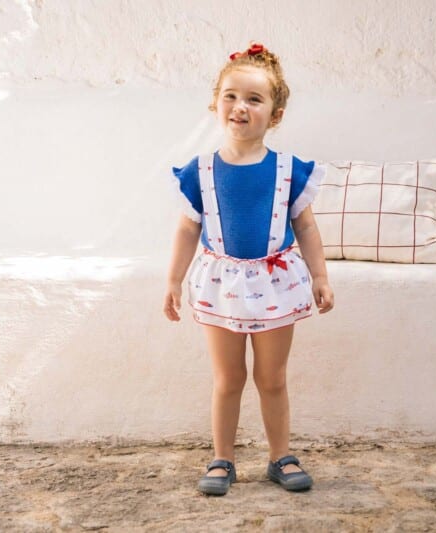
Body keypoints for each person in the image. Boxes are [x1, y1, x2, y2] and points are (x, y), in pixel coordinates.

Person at [163, 42, 334, 496]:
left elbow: (306, 227)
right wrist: (173, 280)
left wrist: (320, 276)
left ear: (274, 115)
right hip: (221, 285)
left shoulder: (288, 170)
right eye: (231, 96)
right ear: (216, 103)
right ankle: (222, 459)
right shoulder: (200, 171)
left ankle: (281, 457)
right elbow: (187, 229)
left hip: (276, 285)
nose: (241, 106)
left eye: (254, 99)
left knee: (272, 378)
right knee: (229, 378)